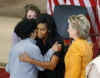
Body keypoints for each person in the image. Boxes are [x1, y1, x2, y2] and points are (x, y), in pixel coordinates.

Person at [19, 14, 69, 78]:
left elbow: (52, 66)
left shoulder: (57, 41)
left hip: (54, 75)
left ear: (49, 30)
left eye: (42, 29)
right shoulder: (35, 37)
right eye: (37, 28)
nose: (38, 32)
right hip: (39, 74)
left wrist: (30, 60)